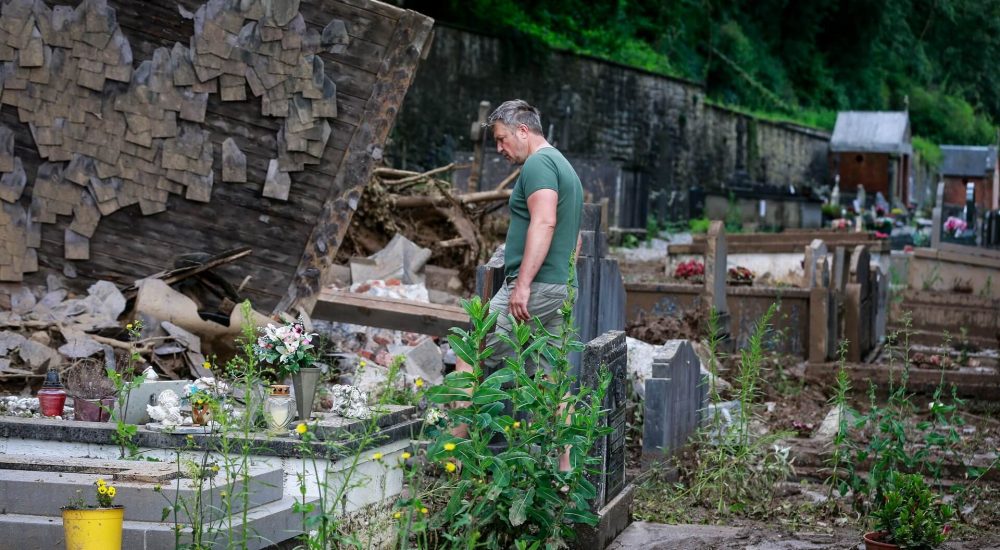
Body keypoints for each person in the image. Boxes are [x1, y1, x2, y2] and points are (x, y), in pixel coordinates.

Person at [452, 100, 583, 461]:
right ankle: (567, 474)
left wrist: (522, 285)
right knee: (552, 380)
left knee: (470, 352)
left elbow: (545, 222)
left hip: (534, 287)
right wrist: (561, 280)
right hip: (561, 288)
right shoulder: (565, 166)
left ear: (523, 131)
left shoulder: (539, 164)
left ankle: (450, 457)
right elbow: (576, 237)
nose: (500, 148)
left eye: (502, 138)